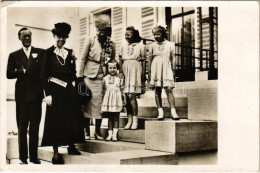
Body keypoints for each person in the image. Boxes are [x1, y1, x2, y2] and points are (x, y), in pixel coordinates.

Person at [41, 22, 85, 164]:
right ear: (54, 36)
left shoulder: (70, 53)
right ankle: (55, 153)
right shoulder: (47, 53)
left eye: (64, 37)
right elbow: (43, 76)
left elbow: (73, 73)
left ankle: (71, 146)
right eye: (59, 36)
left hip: (69, 91)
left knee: (72, 118)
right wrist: (47, 94)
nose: (61, 39)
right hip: (55, 91)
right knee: (56, 121)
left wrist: (73, 83)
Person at [6, 28, 44, 164]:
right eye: (24, 37)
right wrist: (21, 71)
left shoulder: (40, 52)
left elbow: (49, 61)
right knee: (22, 128)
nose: (27, 39)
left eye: (29, 36)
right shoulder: (14, 55)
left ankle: (34, 157)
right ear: (19, 38)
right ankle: (23, 158)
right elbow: (8, 74)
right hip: (22, 97)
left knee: (35, 127)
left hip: (36, 96)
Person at [79, 14, 116, 140]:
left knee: (100, 105)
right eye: (98, 30)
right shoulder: (90, 39)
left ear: (107, 31)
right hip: (89, 75)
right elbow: (83, 58)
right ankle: (86, 131)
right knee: (87, 103)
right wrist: (80, 76)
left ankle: (98, 132)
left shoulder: (111, 43)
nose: (100, 32)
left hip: (102, 77)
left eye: (103, 30)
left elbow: (113, 60)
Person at [148, 25, 180, 120]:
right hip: (156, 68)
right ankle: (160, 112)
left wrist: (173, 69)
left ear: (163, 33)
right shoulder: (152, 46)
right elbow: (149, 59)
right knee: (157, 91)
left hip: (166, 67)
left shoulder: (170, 44)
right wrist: (149, 72)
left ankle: (173, 112)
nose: (156, 36)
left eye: (158, 34)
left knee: (169, 89)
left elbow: (173, 58)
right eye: (154, 35)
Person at [119, 26, 146, 130]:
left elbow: (143, 60)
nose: (126, 36)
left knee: (131, 96)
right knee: (126, 96)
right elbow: (120, 60)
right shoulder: (123, 47)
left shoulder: (141, 46)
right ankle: (129, 120)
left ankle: (135, 120)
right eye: (125, 34)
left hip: (135, 70)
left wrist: (143, 73)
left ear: (134, 35)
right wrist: (121, 71)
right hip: (126, 71)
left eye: (128, 34)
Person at [101, 60, 125, 141]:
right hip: (108, 101)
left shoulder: (119, 78)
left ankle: (115, 134)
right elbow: (103, 91)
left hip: (116, 101)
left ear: (117, 68)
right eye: (110, 68)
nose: (112, 69)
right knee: (110, 118)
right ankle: (109, 134)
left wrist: (123, 99)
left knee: (116, 118)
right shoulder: (105, 79)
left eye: (114, 68)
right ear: (107, 69)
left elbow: (122, 90)